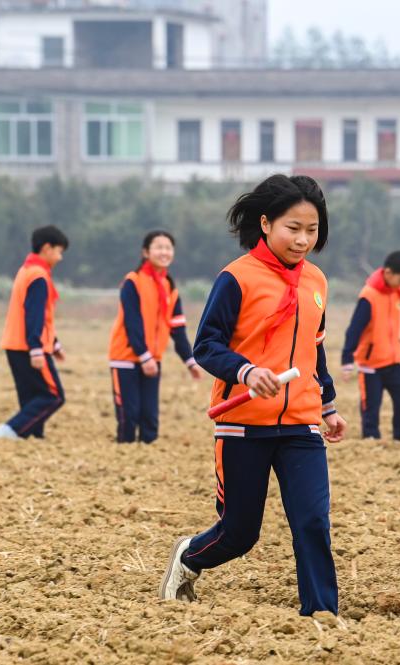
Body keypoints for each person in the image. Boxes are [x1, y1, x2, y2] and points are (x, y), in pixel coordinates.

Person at [158, 175, 346, 618]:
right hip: (243, 423)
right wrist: (245, 370)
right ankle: (189, 557)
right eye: (293, 228)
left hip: (301, 423)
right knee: (241, 533)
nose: (303, 240)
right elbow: (207, 345)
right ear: (265, 223)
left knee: (312, 523)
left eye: (312, 229)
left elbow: (314, 349)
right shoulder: (236, 278)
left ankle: (321, 613)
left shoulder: (316, 281)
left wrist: (329, 406)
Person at [108, 230, 202, 444]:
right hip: (126, 358)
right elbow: (132, 323)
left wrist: (190, 361)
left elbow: (177, 329)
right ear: (145, 252)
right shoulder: (133, 282)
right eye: (158, 247)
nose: (164, 252)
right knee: (129, 415)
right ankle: (125, 455)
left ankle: (147, 458)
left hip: (153, 359)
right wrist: (144, 356)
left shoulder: (169, 287)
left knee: (150, 417)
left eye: (168, 248)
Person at [0, 225, 69, 441]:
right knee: (54, 395)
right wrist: (36, 348)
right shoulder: (38, 276)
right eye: (59, 251)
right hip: (29, 346)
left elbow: (39, 316)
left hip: (14, 344)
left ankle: (34, 436)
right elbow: (34, 315)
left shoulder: (25, 270)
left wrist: (54, 343)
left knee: (32, 396)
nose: (60, 258)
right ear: (47, 248)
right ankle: (10, 430)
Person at [340, 250, 400, 440]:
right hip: (370, 365)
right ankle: (371, 439)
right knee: (371, 407)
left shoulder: (397, 293)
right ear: (388, 273)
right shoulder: (369, 296)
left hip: (393, 361)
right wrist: (347, 359)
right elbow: (354, 330)